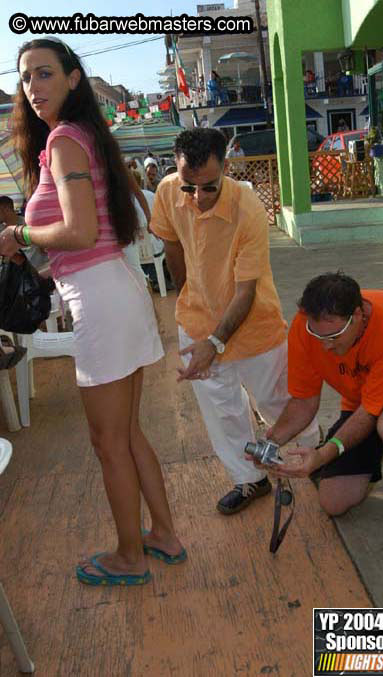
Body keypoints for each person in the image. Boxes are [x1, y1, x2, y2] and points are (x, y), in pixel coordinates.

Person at [0, 37, 185, 585]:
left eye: (45, 74)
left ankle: (130, 556)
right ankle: (165, 537)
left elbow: (79, 232)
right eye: (25, 77)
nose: (33, 87)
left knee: (109, 442)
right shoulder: (85, 137)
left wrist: (18, 232)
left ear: (74, 78)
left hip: (101, 300)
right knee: (127, 433)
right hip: (118, 292)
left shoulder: (63, 142)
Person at [151, 128, 320, 515]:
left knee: (275, 399)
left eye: (208, 187)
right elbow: (170, 243)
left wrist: (216, 342)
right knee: (222, 409)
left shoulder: (249, 209)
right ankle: (249, 480)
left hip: (254, 325)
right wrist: (186, 296)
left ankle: (314, 452)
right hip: (197, 323)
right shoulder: (166, 192)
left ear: (226, 168)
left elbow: (245, 293)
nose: (197, 198)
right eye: (187, 188)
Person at [248, 272, 383, 546]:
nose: (325, 346)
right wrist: (270, 443)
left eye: (334, 336)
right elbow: (304, 402)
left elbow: (370, 412)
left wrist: (322, 455)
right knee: (333, 501)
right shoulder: (305, 328)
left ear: (358, 315)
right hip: (366, 401)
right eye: (317, 336)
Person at [0, 194, 48, 270]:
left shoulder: (29, 222)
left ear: (6, 208)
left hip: (42, 268)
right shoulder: (2, 231)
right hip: (23, 273)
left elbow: (44, 248)